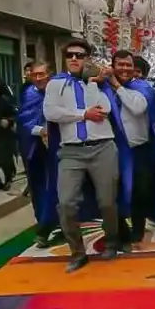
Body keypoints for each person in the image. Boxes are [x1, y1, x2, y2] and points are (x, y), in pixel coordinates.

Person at [43, 40, 121, 273]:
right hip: (71, 151)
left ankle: (112, 241)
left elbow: (104, 109)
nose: (74, 59)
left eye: (80, 55)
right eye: (70, 55)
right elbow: (50, 112)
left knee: (107, 201)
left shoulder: (96, 83)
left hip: (103, 147)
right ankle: (77, 252)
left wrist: (94, 83)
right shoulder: (56, 84)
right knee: (66, 203)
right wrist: (83, 114)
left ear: (88, 58)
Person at [101, 50, 155, 249]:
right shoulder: (103, 88)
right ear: (113, 66)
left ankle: (137, 230)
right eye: (120, 65)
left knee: (140, 192)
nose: (125, 69)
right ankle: (120, 231)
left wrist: (117, 86)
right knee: (112, 192)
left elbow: (137, 108)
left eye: (128, 65)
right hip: (113, 149)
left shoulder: (142, 88)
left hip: (142, 149)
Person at [17, 61, 60, 248]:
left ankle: (58, 225)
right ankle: (44, 225)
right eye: (35, 75)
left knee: (59, 187)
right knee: (39, 187)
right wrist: (39, 130)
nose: (39, 78)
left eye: (42, 74)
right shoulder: (29, 94)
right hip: (35, 147)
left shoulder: (59, 91)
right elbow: (24, 118)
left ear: (50, 74)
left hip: (59, 145)